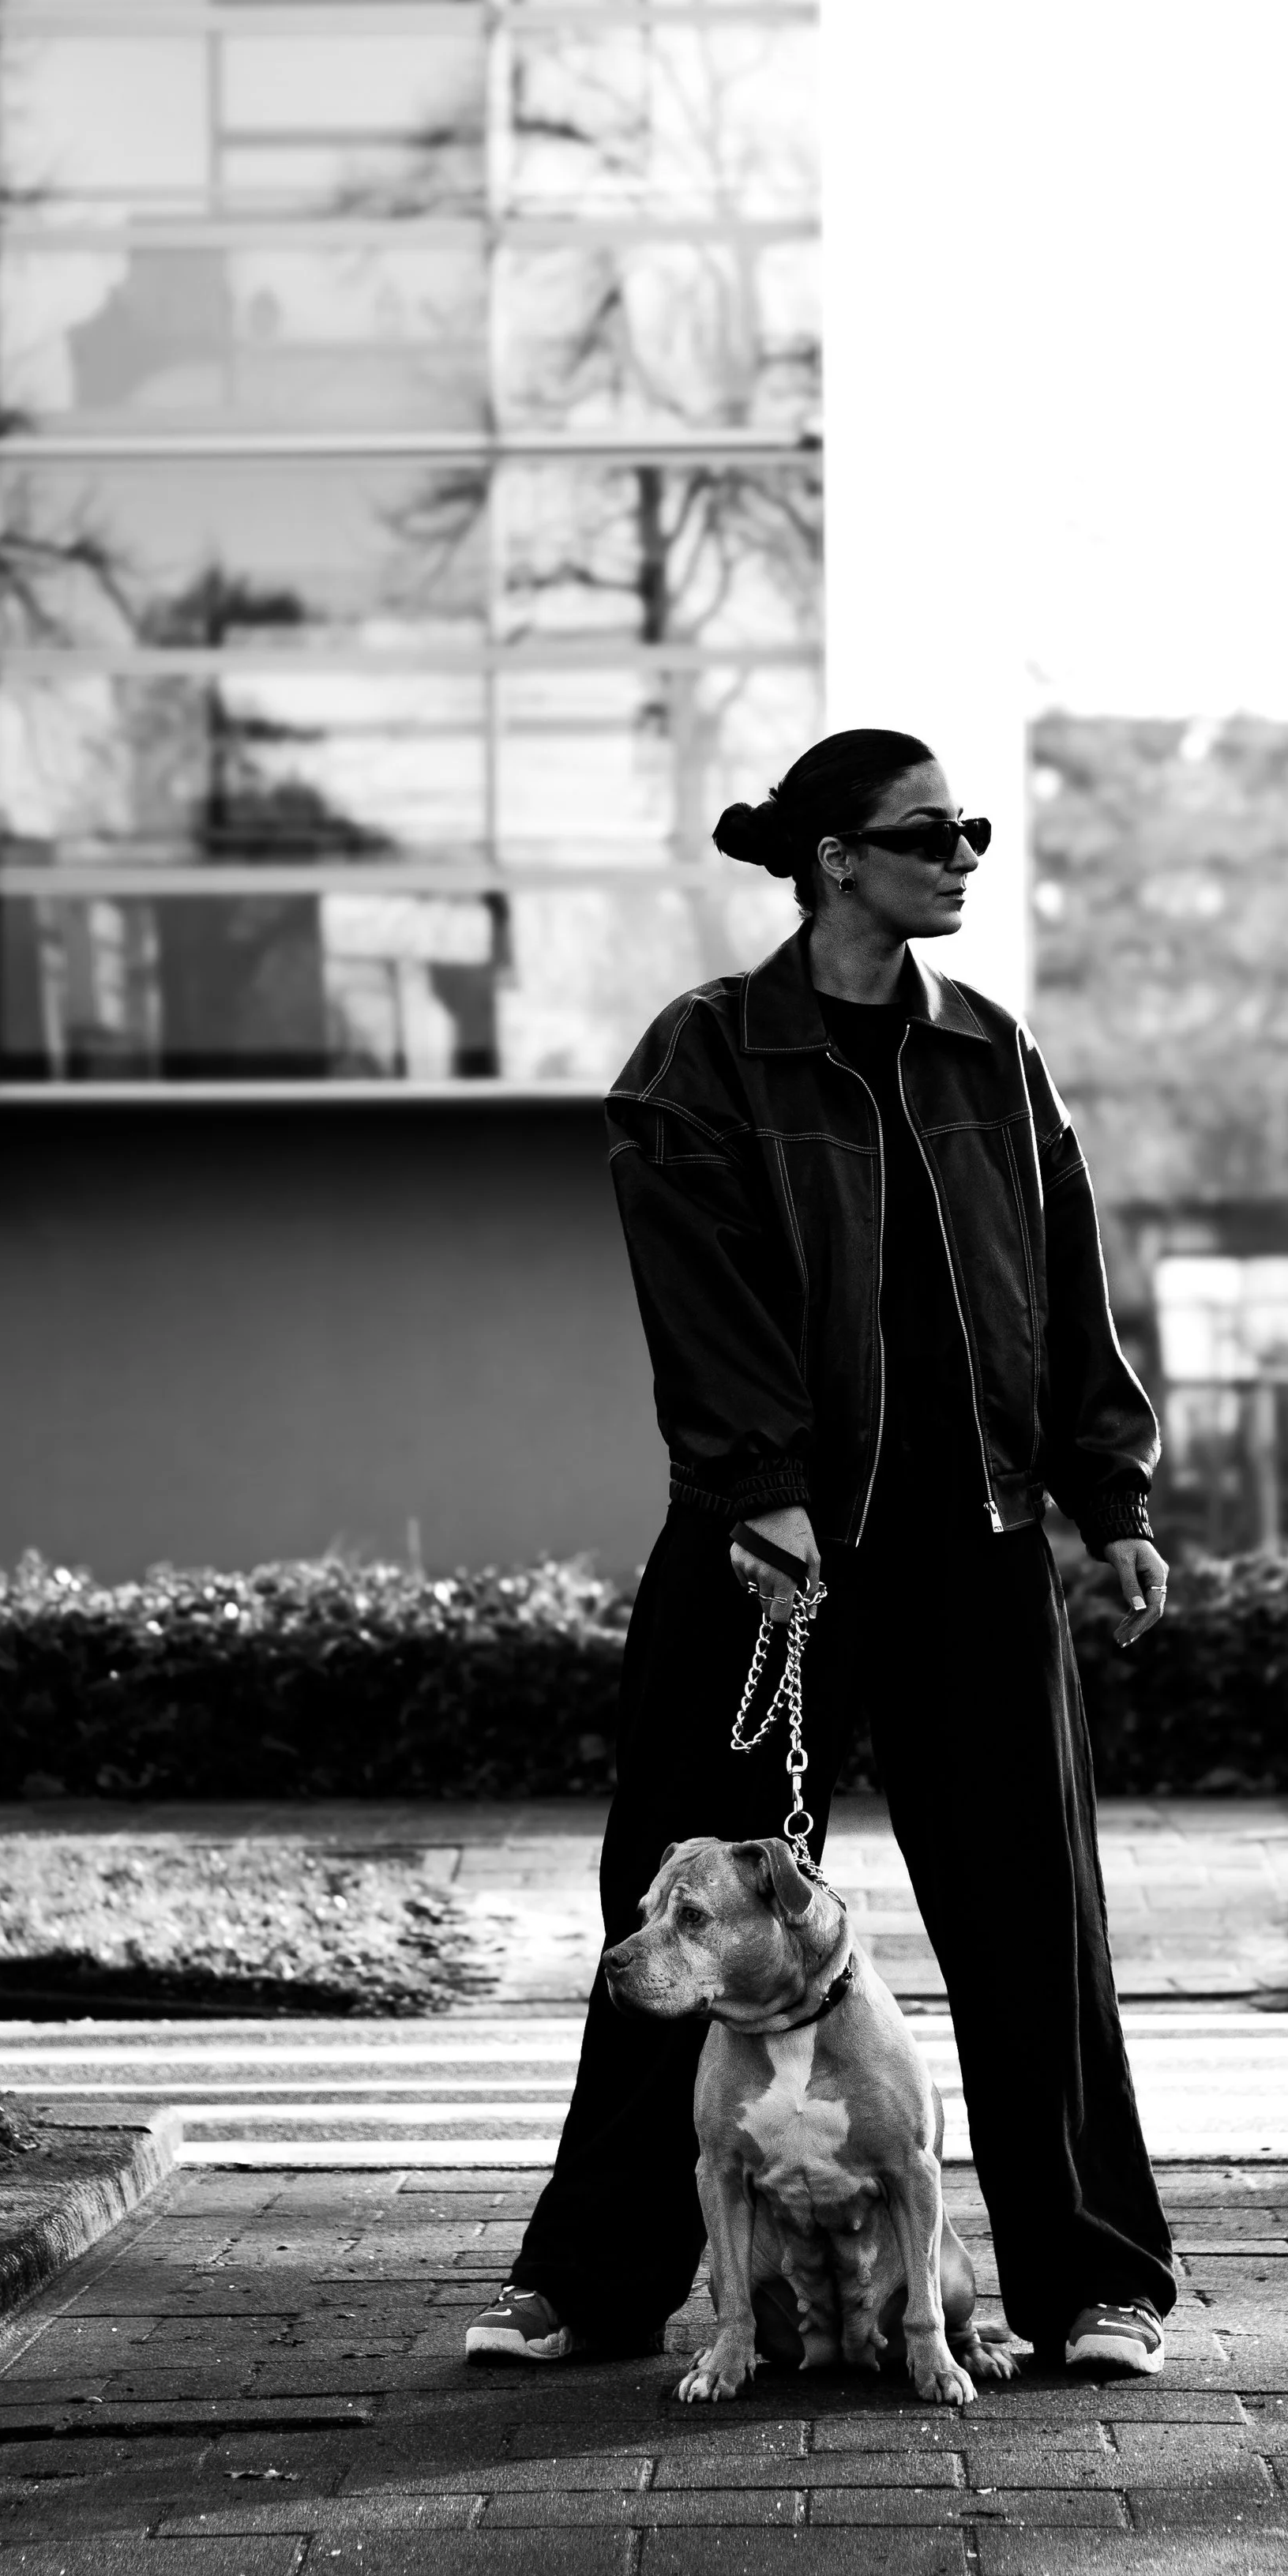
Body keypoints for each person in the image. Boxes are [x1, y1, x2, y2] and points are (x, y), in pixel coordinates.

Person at [466, 728, 1176, 2377]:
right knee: (678, 1913)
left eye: (971, 829)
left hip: (977, 1545)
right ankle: (592, 2279)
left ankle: (1092, 2283)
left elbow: (1069, 1291)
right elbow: (696, 1298)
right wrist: (761, 1486)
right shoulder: (707, 1053)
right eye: (929, 832)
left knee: (1033, 1918)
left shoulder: (993, 1056)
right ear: (834, 860)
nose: (963, 854)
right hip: (765, 1548)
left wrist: (1112, 1499)